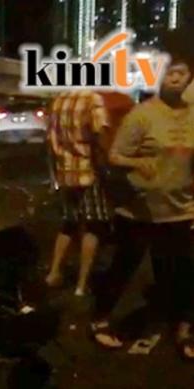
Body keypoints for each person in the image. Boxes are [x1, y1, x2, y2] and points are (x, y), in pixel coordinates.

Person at [90, 52, 194, 361]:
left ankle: (184, 329)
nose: (175, 78)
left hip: (181, 209)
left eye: (182, 73)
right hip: (139, 210)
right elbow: (115, 156)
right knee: (124, 265)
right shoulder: (142, 114)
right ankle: (100, 319)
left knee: (182, 271)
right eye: (169, 73)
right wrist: (138, 162)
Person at [44, 91, 134, 296]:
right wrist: (110, 160)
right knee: (93, 226)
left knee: (69, 223)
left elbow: (50, 137)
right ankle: (82, 284)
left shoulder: (59, 100)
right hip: (89, 172)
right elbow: (100, 134)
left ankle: (54, 273)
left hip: (65, 173)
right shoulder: (92, 99)